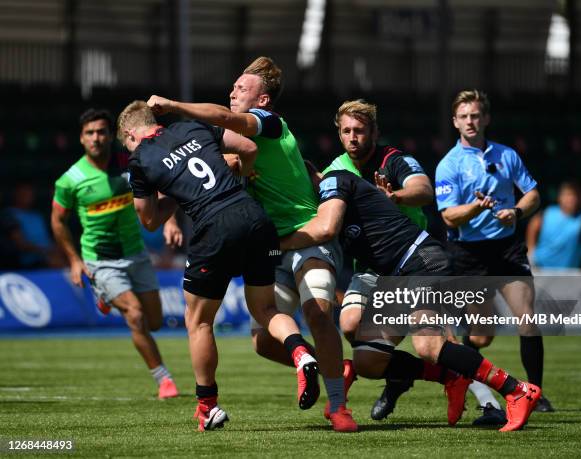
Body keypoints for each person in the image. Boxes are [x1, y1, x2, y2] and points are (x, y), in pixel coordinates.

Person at [145, 56, 357, 432]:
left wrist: (175, 106)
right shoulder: (238, 148)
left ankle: (338, 407)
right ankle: (317, 362)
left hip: (306, 236)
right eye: (233, 87)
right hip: (270, 244)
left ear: (262, 101)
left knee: (318, 313)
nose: (232, 93)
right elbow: (195, 181)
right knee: (262, 338)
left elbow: (223, 120)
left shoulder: (270, 124)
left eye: (242, 89)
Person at [280, 167, 542, 432]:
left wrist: (276, 244)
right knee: (368, 362)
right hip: (395, 277)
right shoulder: (318, 208)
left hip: (421, 259)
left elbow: (326, 229)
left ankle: (517, 390)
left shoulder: (334, 179)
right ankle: (451, 376)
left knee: (429, 346)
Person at [117, 100, 320, 432]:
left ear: (130, 134)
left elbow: (150, 220)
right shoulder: (192, 127)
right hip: (254, 217)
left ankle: (207, 407)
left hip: (214, 228)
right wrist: (238, 170)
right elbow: (248, 147)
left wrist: (175, 192)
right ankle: (301, 353)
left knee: (198, 322)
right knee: (265, 308)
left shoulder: (139, 160)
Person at [434, 89, 553, 412]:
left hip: (507, 248)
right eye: (464, 117)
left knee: (528, 320)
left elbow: (533, 195)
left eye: (475, 115)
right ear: (455, 122)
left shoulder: (507, 155)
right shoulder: (449, 165)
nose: (470, 121)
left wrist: (515, 211)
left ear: (485, 118)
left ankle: (535, 393)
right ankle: (461, 371)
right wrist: (475, 207)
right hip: (469, 254)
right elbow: (448, 215)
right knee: (483, 335)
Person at [321, 99, 438, 420]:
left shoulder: (394, 160)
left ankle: (488, 399)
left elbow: (425, 190)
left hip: (411, 262)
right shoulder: (336, 170)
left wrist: (394, 197)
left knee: (432, 346)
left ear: (374, 131)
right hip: (370, 268)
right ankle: (397, 375)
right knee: (351, 326)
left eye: (359, 130)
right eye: (346, 131)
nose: (352, 137)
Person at [50, 108, 179, 400]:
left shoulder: (131, 164)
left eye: (101, 131)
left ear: (111, 135)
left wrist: (169, 221)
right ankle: (164, 379)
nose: (96, 137)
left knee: (155, 322)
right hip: (101, 260)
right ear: (82, 139)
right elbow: (57, 221)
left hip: (136, 254)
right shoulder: (70, 180)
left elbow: (162, 188)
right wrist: (74, 260)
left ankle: (103, 297)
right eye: (89, 133)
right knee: (135, 316)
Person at [527, 181, 581, 277]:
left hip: (565, 276)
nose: (571, 199)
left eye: (574, 195)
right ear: (559, 197)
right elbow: (533, 224)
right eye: (567, 195)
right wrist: (531, 253)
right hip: (538, 269)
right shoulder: (547, 212)